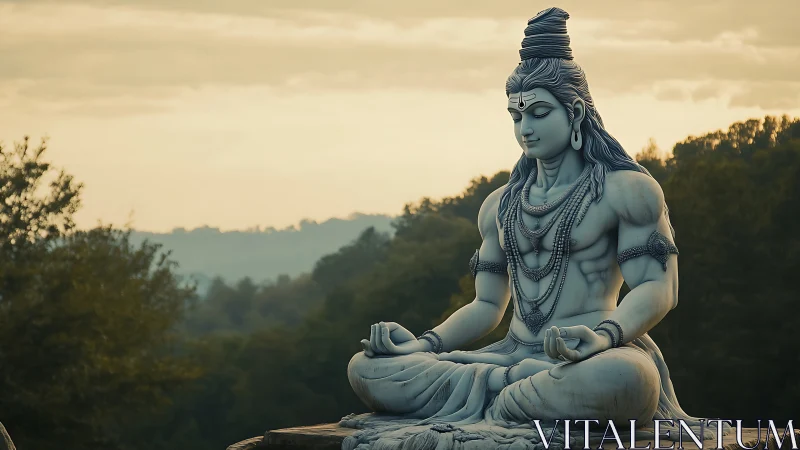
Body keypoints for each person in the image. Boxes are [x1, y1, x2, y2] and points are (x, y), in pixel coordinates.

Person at [343, 8, 718, 449]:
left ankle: (494, 398)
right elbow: (487, 305)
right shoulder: (500, 204)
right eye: (516, 117)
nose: (526, 129)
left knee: (628, 380)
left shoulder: (626, 191)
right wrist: (423, 345)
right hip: (510, 357)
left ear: (575, 112)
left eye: (539, 113)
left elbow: (659, 288)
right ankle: (510, 396)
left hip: (590, 356)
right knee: (367, 367)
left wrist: (604, 337)